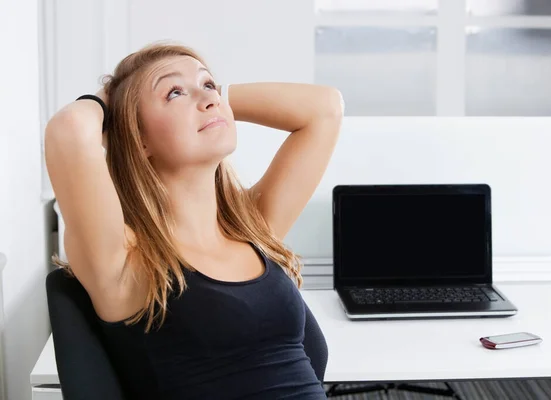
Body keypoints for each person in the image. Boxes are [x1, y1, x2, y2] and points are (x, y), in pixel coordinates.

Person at [44, 42, 343, 399]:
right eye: (174, 93)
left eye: (209, 85)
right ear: (139, 139)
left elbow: (325, 109)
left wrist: (210, 99)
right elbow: (70, 129)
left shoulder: (252, 229)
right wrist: (112, 100)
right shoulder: (128, 261)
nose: (210, 99)